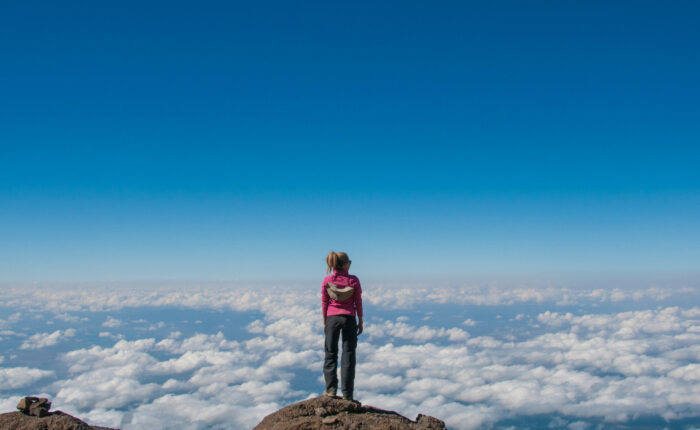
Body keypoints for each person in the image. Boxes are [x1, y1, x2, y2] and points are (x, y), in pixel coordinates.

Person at [321, 251, 363, 401]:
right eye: (349, 262)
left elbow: (325, 302)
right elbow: (358, 301)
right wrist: (361, 320)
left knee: (330, 354)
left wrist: (325, 321)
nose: (350, 264)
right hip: (349, 319)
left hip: (332, 318)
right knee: (349, 356)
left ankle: (331, 390)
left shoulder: (327, 280)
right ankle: (347, 395)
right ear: (345, 264)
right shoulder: (353, 280)